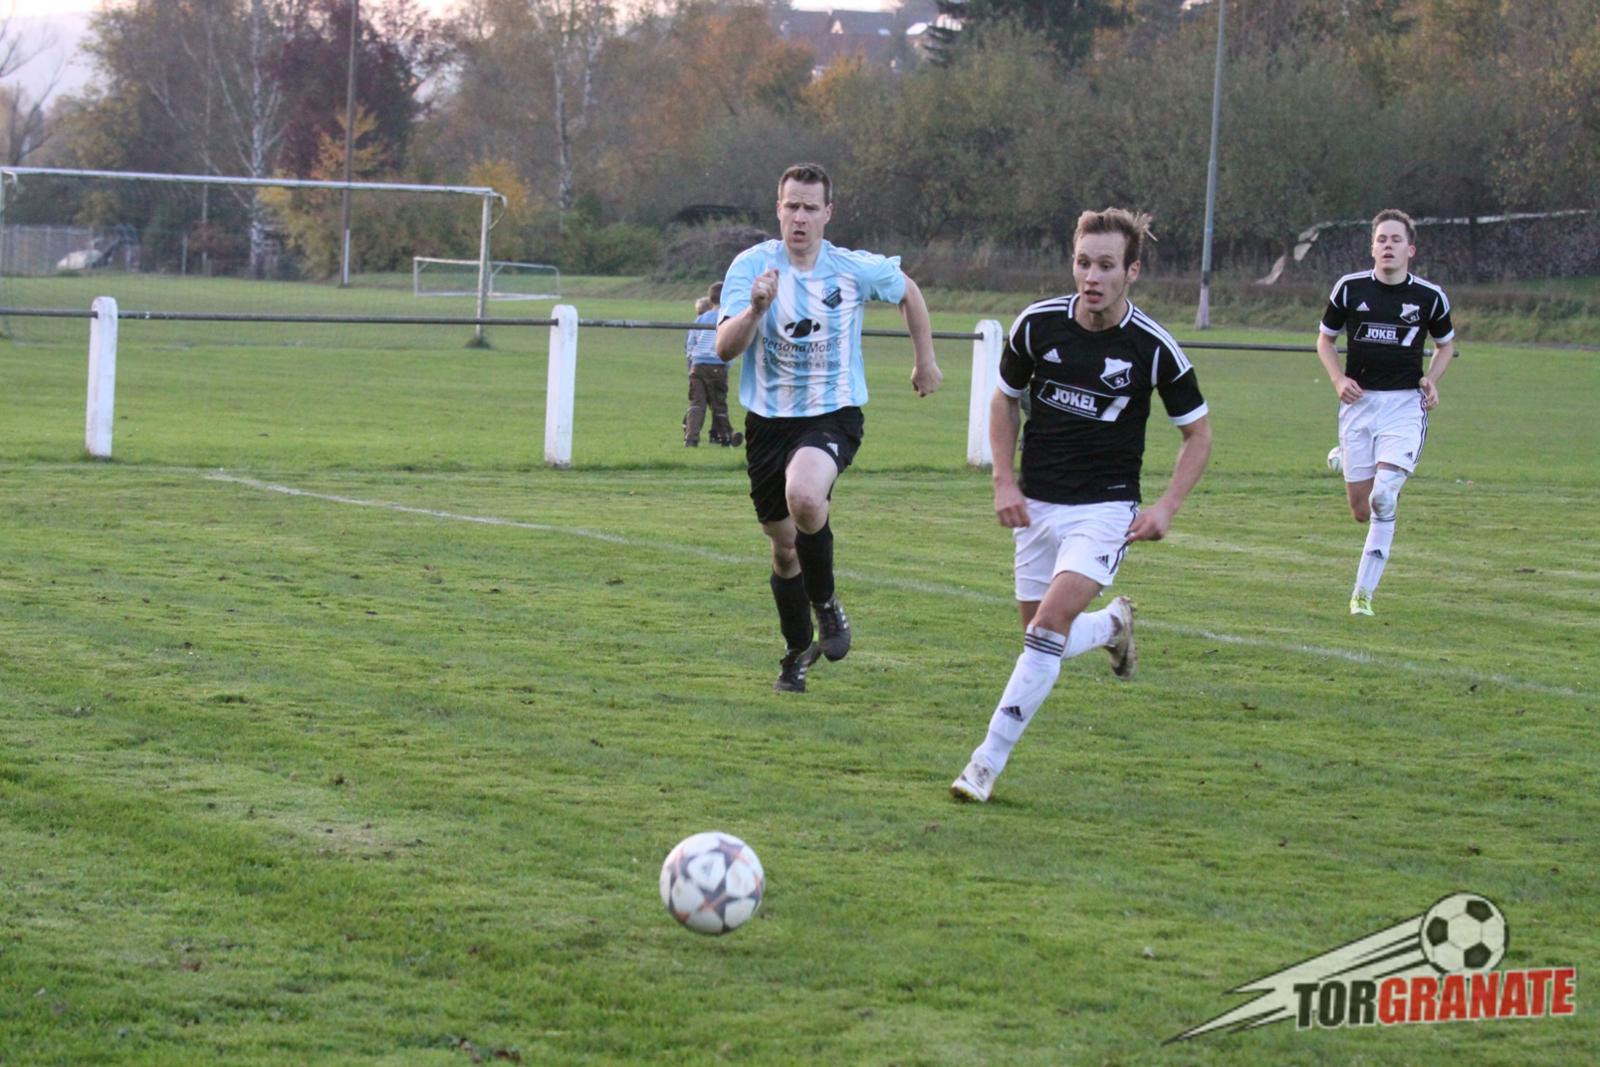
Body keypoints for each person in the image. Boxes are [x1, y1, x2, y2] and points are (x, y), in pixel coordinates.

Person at [950, 208, 1212, 803]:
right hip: (1036, 505)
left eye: (1106, 266)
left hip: (1105, 510)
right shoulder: (1037, 325)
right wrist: (1003, 481)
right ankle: (1113, 626)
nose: (1092, 277)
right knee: (1042, 639)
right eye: (1083, 263)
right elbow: (1003, 401)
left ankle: (985, 764)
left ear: (1132, 271)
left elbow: (1198, 434)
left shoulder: (1153, 347)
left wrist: (1167, 506)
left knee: (1045, 631)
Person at [716, 162, 943, 693]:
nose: (800, 217)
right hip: (768, 422)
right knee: (784, 550)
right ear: (778, 209)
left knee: (805, 496)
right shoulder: (751, 267)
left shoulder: (850, 269)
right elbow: (724, 348)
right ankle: (796, 651)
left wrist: (925, 360)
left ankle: (827, 603)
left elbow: (908, 290)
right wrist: (755, 310)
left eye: (810, 208)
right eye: (791, 206)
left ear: (828, 213)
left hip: (832, 413)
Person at [1316, 209, 1456, 616]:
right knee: (1360, 510)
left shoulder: (1430, 297)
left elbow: (1446, 345)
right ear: (1372, 248)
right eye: (1382, 239)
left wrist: (1432, 379)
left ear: (1410, 249)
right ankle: (1347, 455)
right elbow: (1324, 340)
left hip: (1404, 406)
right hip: (1359, 406)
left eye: (1396, 240)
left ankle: (1363, 594)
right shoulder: (1349, 288)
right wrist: (1338, 380)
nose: (1388, 246)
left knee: (1383, 497)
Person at [684, 282, 742, 447]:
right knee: (718, 404)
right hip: (717, 365)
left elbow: (690, 343)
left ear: (710, 299)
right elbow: (731, 344)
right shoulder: (726, 319)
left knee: (697, 403)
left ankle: (691, 438)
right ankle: (725, 436)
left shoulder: (701, 318)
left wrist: (692, 361)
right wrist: (727, 363)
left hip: (697, 365)